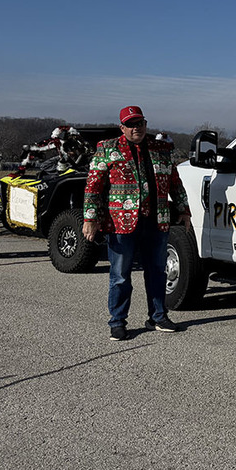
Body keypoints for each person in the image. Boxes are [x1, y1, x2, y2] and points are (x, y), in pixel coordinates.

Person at [83, 105, 192, 342]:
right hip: (121, 223)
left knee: (157, 271)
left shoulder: (162, 149)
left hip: (156, 221)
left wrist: (184, 211)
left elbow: (175, 181)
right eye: (131, 124)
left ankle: (158, 317)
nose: (136, 128)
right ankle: (118, 322)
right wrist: (90, 219)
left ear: (146, 124)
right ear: (122, 127)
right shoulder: (107, 149)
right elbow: (93, 187)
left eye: (140, 123)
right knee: (120, 274)